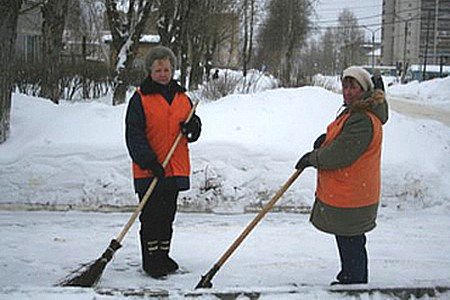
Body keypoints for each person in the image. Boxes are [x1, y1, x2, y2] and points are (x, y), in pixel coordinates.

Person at [295, 66, 388, 285]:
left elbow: (340, 155)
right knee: (348, 238)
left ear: (364, 89)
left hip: (353, 193)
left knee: (352, 240)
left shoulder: (363, 119)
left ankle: (354, 284)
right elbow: (341, 140)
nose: (347, 91)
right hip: (351, 191)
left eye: (353, 86)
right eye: (345, 86)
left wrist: (313, 158)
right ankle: (350, 277)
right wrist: (325, 141)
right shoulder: (354, 112)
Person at [125, 46, 201, 278]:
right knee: (151, 217)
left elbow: (192, 127)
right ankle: (151, 260)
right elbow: (134, 135)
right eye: (158, 70)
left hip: (174, 167)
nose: (163, 74)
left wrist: (193, 128)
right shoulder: (140, 99)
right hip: (150, 170)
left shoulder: (182, 97)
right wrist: (149, 161)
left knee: (168, 216)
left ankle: (163, 256)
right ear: (150, 71)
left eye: (167, 69)